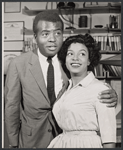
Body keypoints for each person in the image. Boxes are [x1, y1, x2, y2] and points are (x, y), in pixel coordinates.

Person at [5, 11, 117, 148]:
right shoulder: (18, 64)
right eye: (45, 34)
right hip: (32, 139)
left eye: (57, 33)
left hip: (64, 137)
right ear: (35, 37)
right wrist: (13, 144)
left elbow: (88, 86)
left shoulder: (69, 60)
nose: (52, 39)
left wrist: (111, 93)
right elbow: (11, 107)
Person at [47, 34, 116, 148]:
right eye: (70, 54)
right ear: (65, 60)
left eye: (82, 54)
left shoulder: (101, 90)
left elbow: (109, 138)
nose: (75, 58)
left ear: (89, 61)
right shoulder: (65, 89)